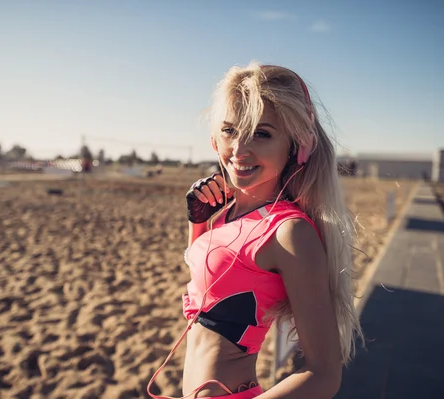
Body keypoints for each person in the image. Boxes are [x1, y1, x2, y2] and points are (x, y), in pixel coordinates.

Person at [148, 62, 363, 399]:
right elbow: (208, 292)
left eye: (261, 134)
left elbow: (324, 374)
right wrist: (199, 223)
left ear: (296, 147)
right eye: (229, 130)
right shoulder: (228, 213)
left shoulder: (288, 232)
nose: (239, 149)